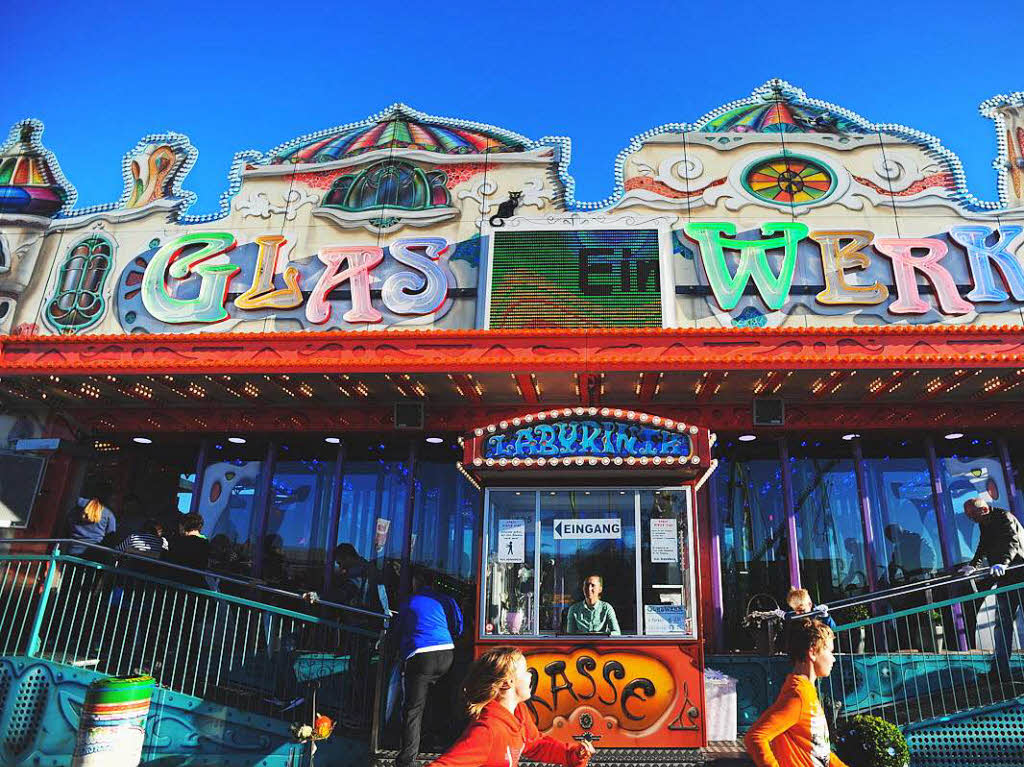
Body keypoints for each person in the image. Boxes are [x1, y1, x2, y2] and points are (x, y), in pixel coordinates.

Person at [426, 646, 593, 767]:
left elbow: (536, 745)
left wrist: (572, 754)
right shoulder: (487, 731)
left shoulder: (519, 713)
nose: (530, 675)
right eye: (526, 671)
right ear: (508, 683)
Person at [744, 619, 849, 767]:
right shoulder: (797, 695)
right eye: (830, 651)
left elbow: (820, 751)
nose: (833, 658)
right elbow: (755, 737)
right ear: (812, 652)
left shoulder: (807, 691)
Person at [391, 568, 465, 767]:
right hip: (447, 652)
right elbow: (459, 626)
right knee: (441, 701)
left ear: (417, 582)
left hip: (421, 655)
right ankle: (442, 744)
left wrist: (396, 649)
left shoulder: (410, 601)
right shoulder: (446, 600)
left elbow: (397, 630)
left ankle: (407, 759)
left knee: (413, 709)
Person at [957, 497, 1024, 679]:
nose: (971, 519)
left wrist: (1002, 563)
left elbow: (1013, 542)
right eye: (968, 515)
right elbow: (983, 545)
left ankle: (1001, 669)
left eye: (972, 515)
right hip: (1007, 577)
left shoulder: (1004, 517)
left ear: (984, 510)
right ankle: (1000, 670)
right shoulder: (984, 523)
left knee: (1005, 621)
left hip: (1019, 572)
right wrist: (973, 565)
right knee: (1002, 622)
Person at [166, 513, 210, 588]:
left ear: (184, 525)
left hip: (177, 581)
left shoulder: (178, 541)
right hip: (196, 584)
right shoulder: (206, 544)